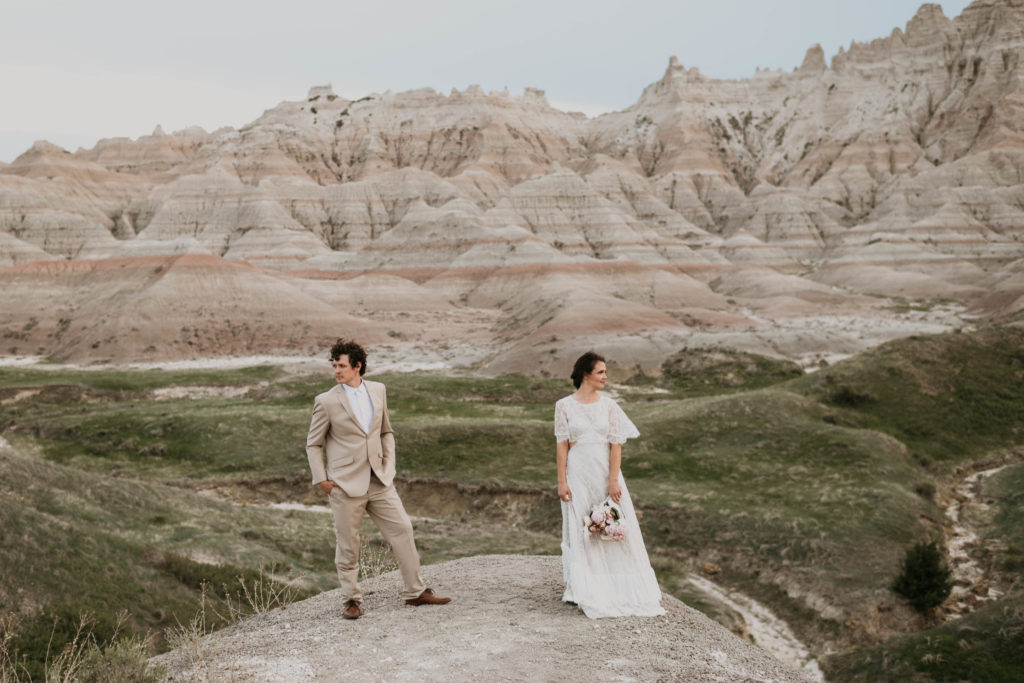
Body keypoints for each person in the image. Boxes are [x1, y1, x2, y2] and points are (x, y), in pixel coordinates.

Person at [306, 338, 450, 620]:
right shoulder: (325, 401)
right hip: (345, 484)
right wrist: (321, 479)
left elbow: (386, 431)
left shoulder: (378, 390)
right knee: (348, 543)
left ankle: (416, 592)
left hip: (380, 479)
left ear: (357, 366)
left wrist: (389, 463)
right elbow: (313, 443)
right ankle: (351, 600)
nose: (337, 370)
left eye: (342, 365)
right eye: (334, 365)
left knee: (403, 530)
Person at [554, 351, 665, 618]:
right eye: (601, 372)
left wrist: (613, 480)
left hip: (605, 473)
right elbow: (561, 446)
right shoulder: (564, 405)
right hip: (578, 473)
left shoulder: (610, 406)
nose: (606, 377)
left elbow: (616, 445)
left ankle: (619, 587)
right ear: (586, 375)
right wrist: (561, 481)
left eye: (605, 372)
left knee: (614, 524)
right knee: (582, 528)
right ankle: (583, 588)